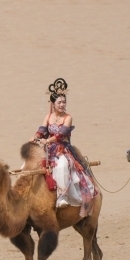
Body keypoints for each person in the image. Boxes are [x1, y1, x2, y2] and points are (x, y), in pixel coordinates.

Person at [33, 78, 98, 212]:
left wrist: (47, 141)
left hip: (62, 149)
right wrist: (36, 137)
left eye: (64, 102)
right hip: (47, 150)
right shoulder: (48, 116)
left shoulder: (68, 117)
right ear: (53, 103)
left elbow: (60, 135)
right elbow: (41, 130)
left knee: (61, 166)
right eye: (59, 102)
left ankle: (63, 196)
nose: (62, 104)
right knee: (30, 165)